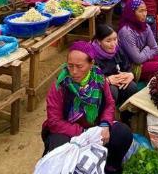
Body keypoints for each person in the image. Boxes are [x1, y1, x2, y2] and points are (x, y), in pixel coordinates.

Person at [42, 41, 133, 173]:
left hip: (95, 127)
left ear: (91, 64)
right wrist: (84, 133)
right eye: (70, 66)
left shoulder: (99, 78)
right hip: (69, 132)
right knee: (58, 146)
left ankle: (110, 167)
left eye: (79, 66)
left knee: (122, 133)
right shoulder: (60, 85)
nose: (74, 72)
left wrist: (105, 124)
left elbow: (109, 104)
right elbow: (54, 122)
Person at [118, 0, 158, 82]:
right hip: (132, 67)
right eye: (140, 11)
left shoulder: (145, 26)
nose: (144, 14)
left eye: (145, 10)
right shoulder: (126, 32)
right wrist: (147, 48)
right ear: (132, 13)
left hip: (143, 59)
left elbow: (155, 48)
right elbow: (137, 59)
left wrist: (143, 53)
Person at [92, 24, 138, 112]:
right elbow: (89, 80)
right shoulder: (92, 56)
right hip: (99, 89)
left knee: (132, 86)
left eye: (115, 39)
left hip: (118, 82)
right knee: (111, 91)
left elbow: (127, 66)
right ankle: (107, 119)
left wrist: (130, 74)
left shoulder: (117, 50)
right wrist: (107, 80)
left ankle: (126, 116)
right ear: (99, 41)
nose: (113, 44)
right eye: (108, 41)